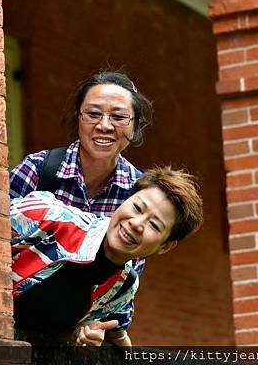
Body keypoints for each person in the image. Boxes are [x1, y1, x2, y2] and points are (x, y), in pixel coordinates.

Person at [9, 71, 153, 334]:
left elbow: (125, 281)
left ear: (135, 126)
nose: (105, 126)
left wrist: (102, 327)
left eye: (119, 117)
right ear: (78, 118)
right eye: (93, 114)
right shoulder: (39, 169)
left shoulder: (140, 194)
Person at [11, 166, 203, 347]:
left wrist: (83, 333)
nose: (137, 224)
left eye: (154, 225)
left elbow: (76, 327)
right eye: (137, 208)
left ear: (165, 246)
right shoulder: (48, 215)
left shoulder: (123, 287)